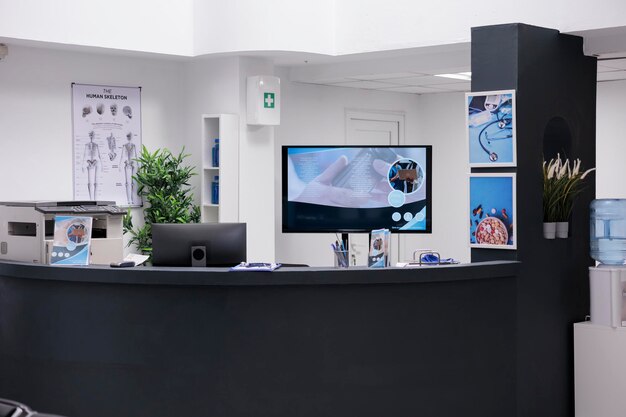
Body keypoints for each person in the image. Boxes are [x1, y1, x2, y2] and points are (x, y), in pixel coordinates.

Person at [82, 130, 102, 200]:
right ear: (89, 136)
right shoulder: (86, 145)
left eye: (92, 135)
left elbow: (99, 156)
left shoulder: (96, 145)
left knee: (95, 182)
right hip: (89, 165)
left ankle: (95, 199)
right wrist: (87, 162)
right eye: (90, 135)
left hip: (95, 165)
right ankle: (91, 199)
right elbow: (84, 156)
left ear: (94, 136)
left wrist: (96, 161)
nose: (91, 136)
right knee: (90, 183)